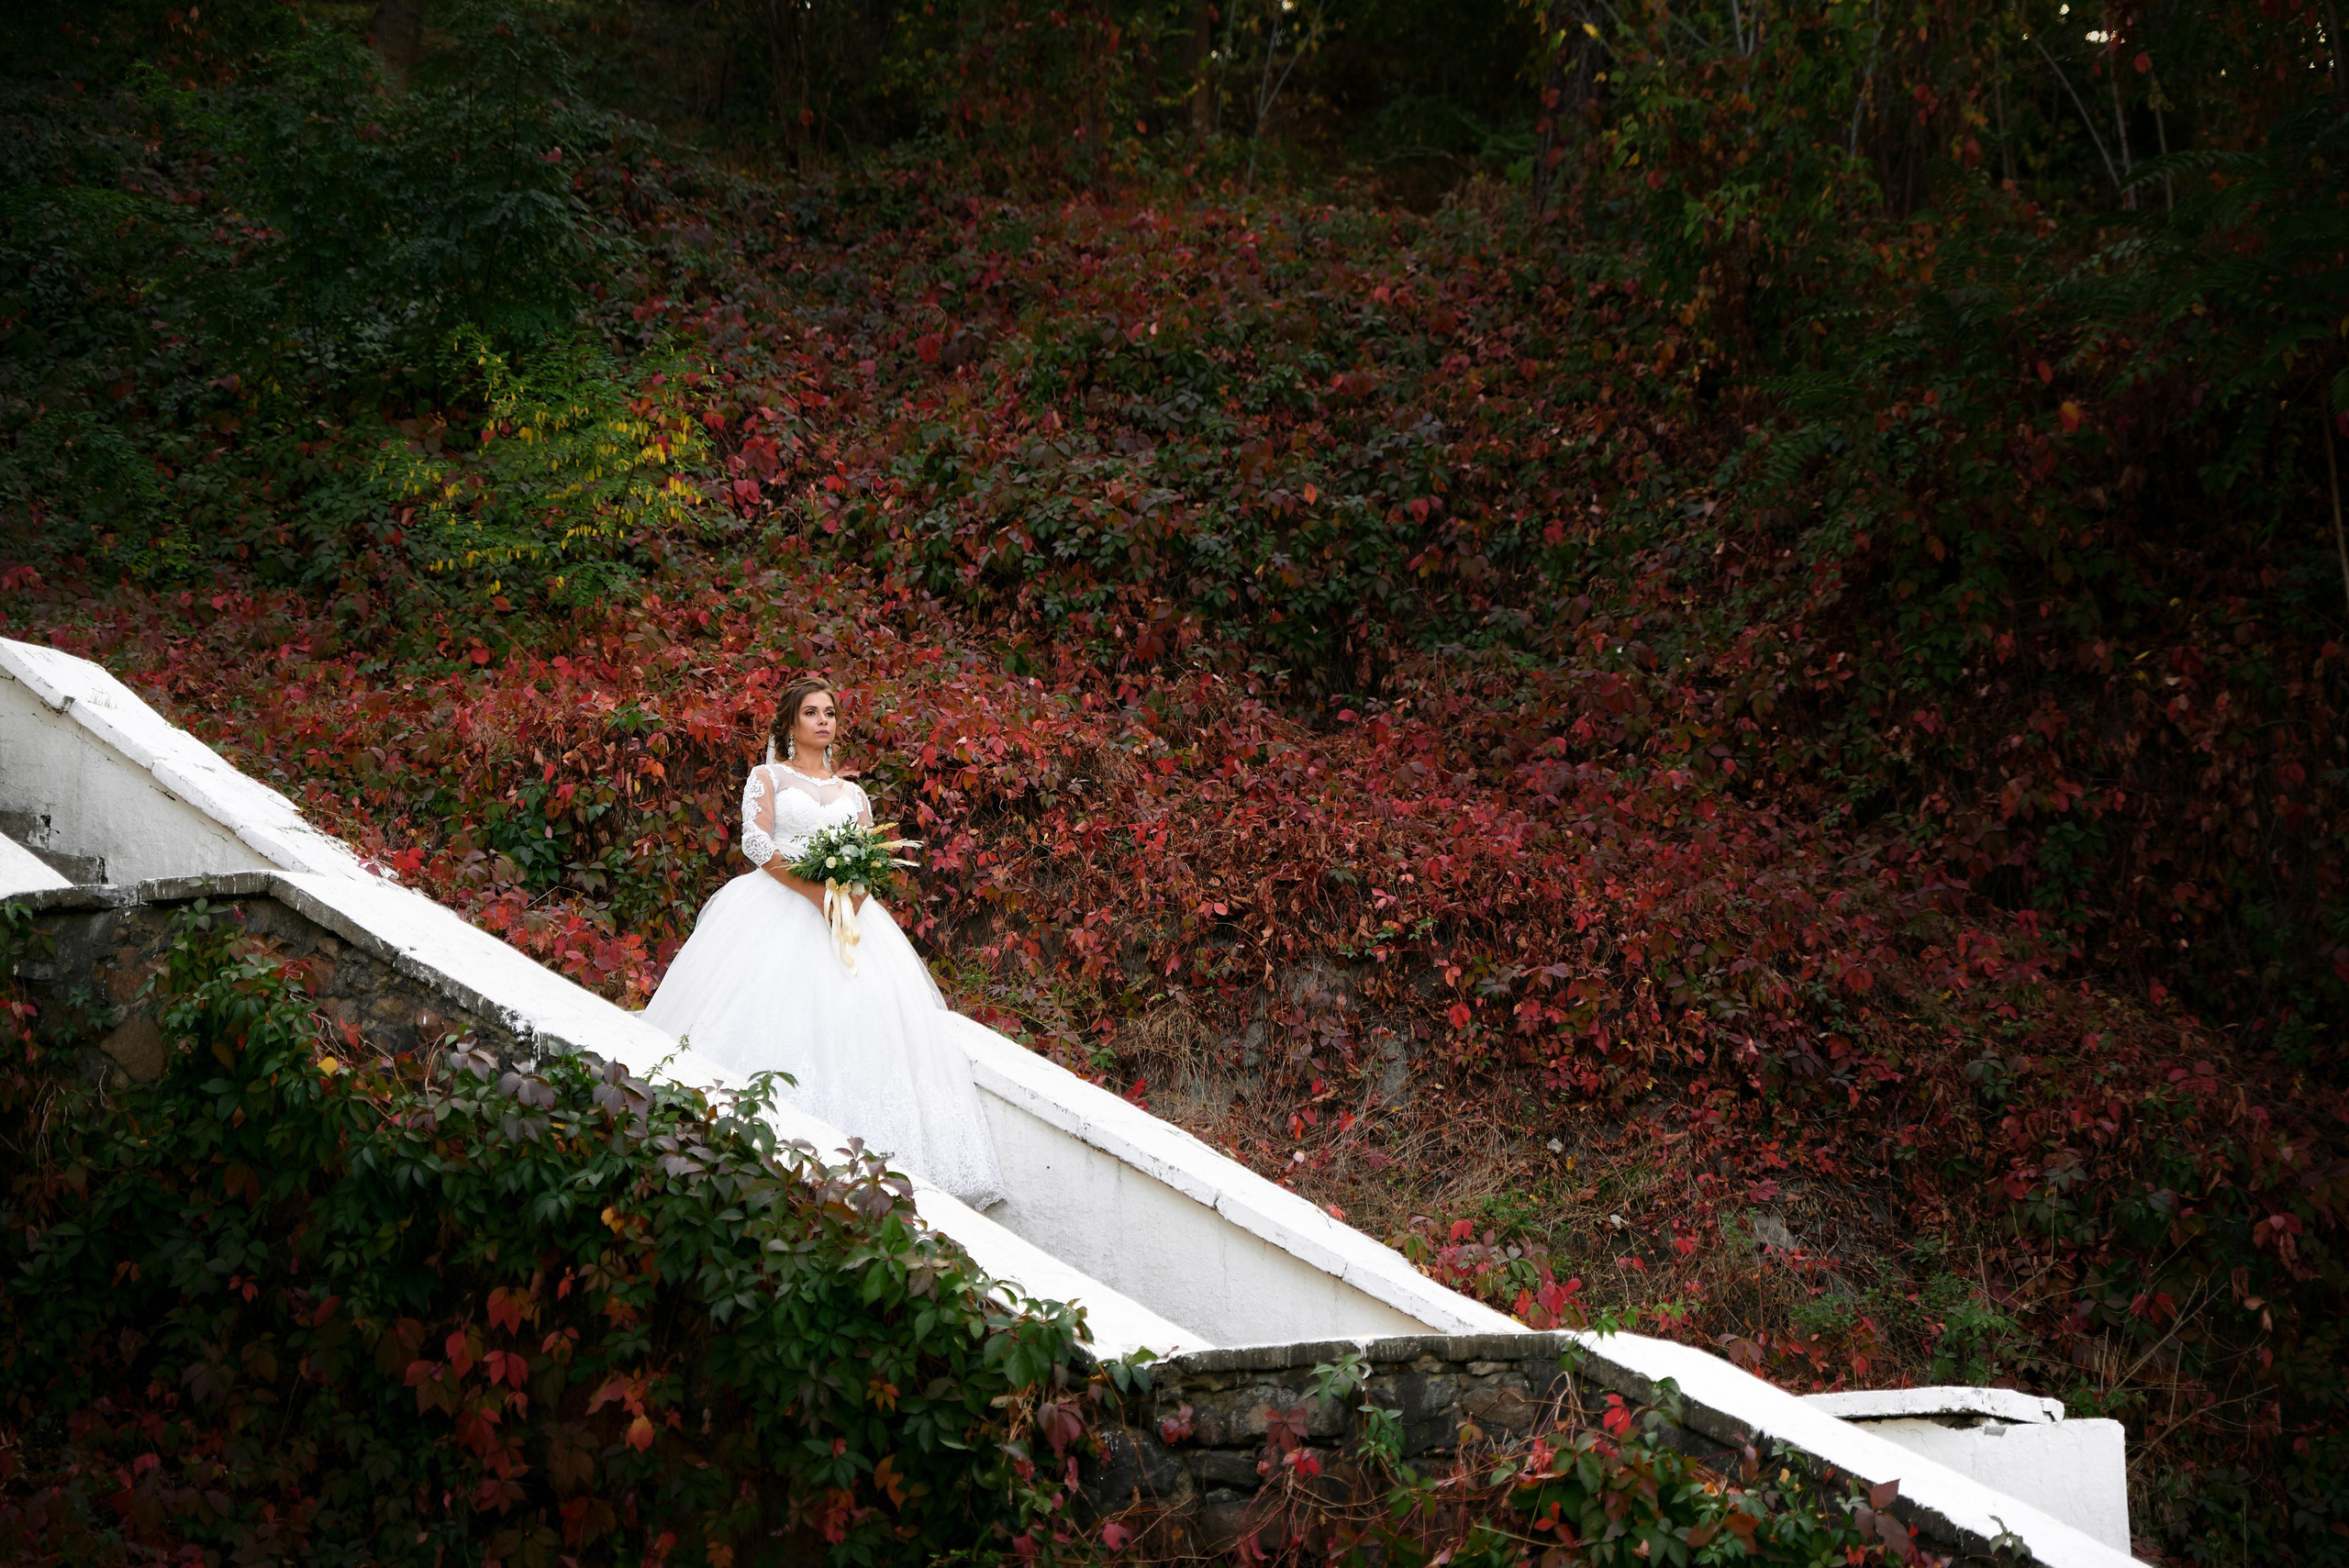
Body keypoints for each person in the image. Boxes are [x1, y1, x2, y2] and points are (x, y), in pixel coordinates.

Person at [642, 676, 1009, 1209]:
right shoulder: (768, 777)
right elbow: (755, 841)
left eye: (830, 713)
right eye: (811, 712)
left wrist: (854, 896)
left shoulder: (853, 793)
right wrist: (812, 891)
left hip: (850, 917)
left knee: (864, 1018)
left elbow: (870, 855)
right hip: (774, 903)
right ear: (790, 723)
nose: (823, 721)